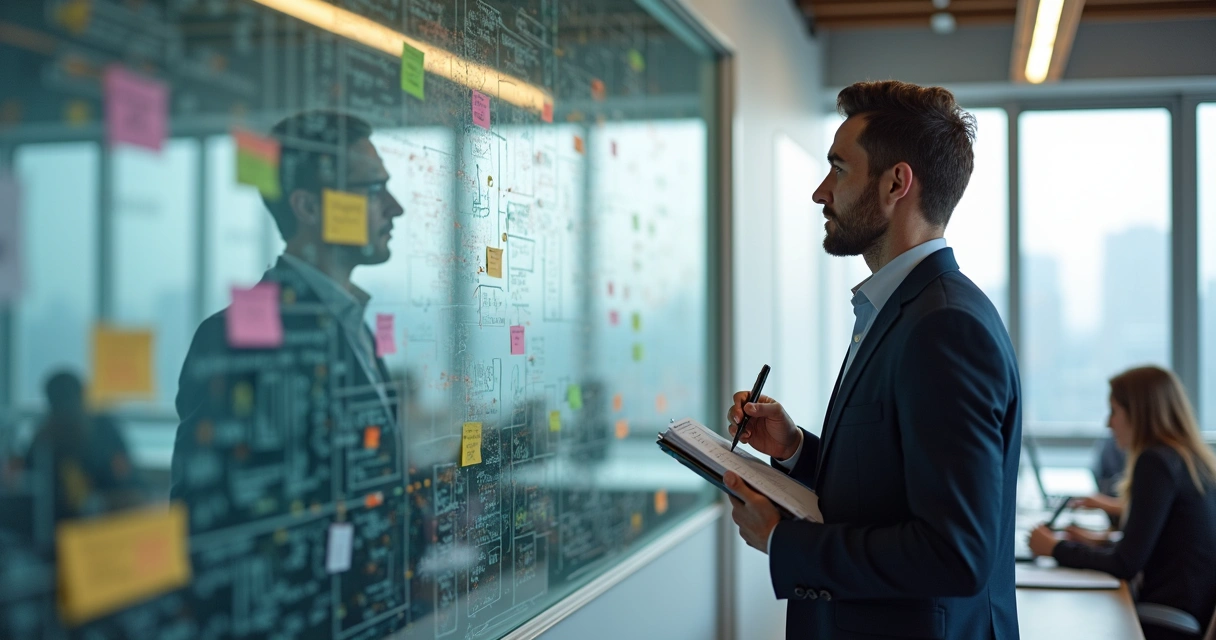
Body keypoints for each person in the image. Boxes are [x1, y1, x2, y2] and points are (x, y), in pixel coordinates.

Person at [724, 80, 1021, 640]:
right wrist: (793, 449)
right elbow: (890, 490)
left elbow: (955, 553)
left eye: (838, 168)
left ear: (895, 183)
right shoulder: (906, 311)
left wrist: (782, 541)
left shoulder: (945, 327)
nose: (820, 191)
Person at [1028, 366, 1216, 640]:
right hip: (1184, 609)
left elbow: (1125, 563)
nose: (1108, 423)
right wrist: (1096, 542)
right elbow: (1159, 544)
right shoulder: (1185, 458)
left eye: (1114, 411)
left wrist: (1055, 547)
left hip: (1167, 621)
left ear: (1139, 413)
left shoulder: (1156, 463)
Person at [24, 369, 145, 520]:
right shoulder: (45, 438)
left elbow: (126, 479)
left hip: (95, 512)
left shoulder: (102, 428)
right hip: (71, 518)